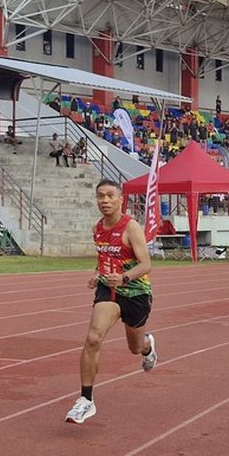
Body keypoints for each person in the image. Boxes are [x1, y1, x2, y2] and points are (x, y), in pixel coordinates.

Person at [64, 179, 159, 424]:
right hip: (109, 291)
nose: (104, 201)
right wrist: (99, 273)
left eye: (109, 196)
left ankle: (147, 345)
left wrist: (125, 277)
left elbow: (146, 264)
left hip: (136, 293)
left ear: (120, 200)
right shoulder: (98, 228)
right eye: (100, 196)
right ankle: (86, 400)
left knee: (134, 348)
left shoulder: (131, 227)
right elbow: (105, 256)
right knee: (93, 338)